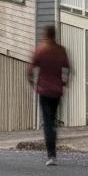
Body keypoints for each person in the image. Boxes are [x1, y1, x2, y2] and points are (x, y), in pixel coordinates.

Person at [28, 24, 70, 166]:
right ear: (54, 35)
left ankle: (51, 154)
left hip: (44, 90)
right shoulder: (60, 51)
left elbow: (30, 69)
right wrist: (64, 82)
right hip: (57, 91)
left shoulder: (40, 50)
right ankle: (53, 151)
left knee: (47, 122)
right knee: (52, 120)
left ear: (45, 35)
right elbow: (68, 68)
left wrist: (34, 83)